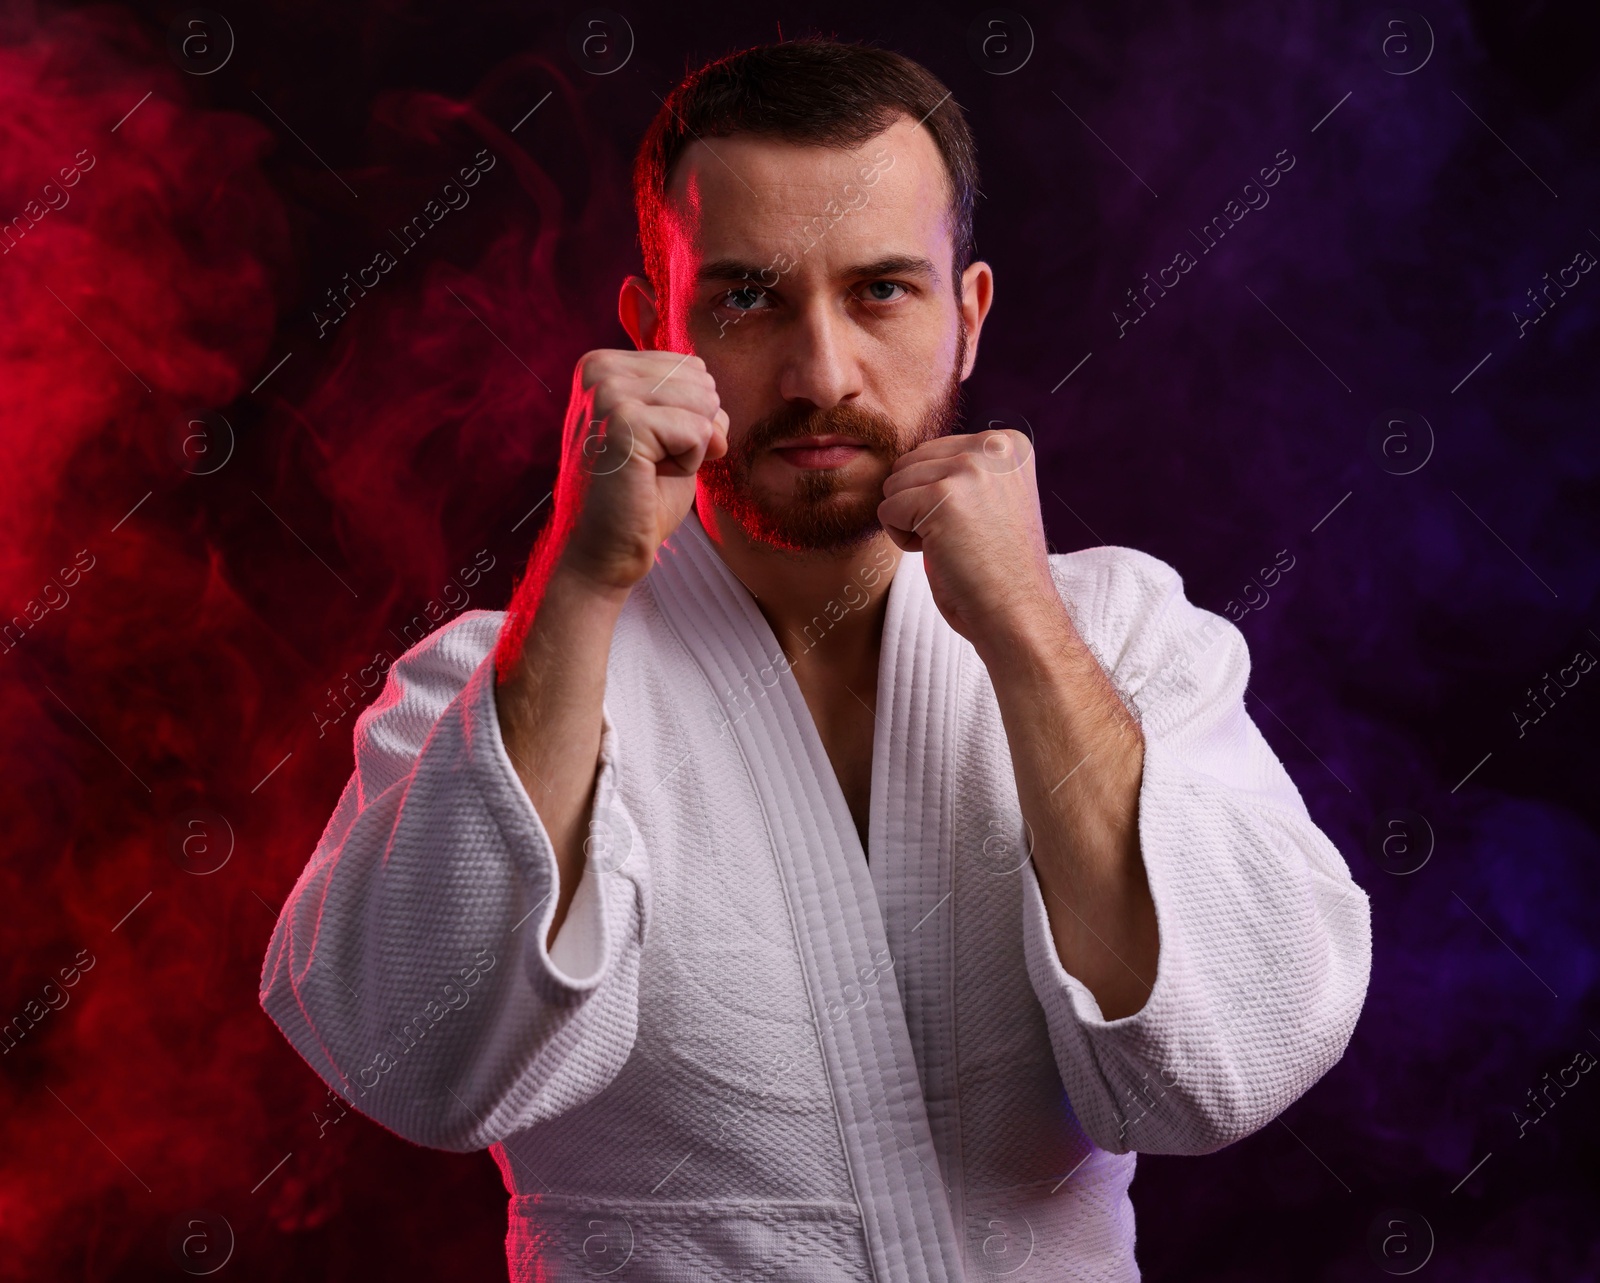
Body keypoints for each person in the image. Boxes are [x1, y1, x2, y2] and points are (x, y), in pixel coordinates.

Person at [260, 38, 1372, 1282]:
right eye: (747, 296)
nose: (820, 374)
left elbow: (1235, 1058)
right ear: (647, 330)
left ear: (968, 318)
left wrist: (1024, 629)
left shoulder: (1118, 632)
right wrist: (577, 584)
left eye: (882, 291)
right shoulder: (486, 678)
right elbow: (415, 1063)